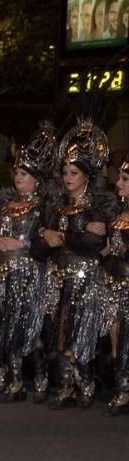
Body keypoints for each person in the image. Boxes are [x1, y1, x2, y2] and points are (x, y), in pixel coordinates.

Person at [41, 119, 111, 410]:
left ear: (86, 176)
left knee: (82, 332)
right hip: (59, 278)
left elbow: (93, 244)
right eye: (65, 172)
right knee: (61, 333)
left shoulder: (97, 206)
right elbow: (41, 243)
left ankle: (86, 384)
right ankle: (67, 386)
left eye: (74, 173)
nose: (68, 178)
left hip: (86, 278)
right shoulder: (56, 208)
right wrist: (47, 235)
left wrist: (63, 236)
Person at [0, 124, 54, 403]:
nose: (17, 178)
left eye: (23, 174)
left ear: (36, 178)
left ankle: (40, 376)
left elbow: (47, 242)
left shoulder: (43, 207)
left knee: (27, 327)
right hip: (2, 273)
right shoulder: (4, 204)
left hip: (28, 274)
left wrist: (21, 244)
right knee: (5, 326)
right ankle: (15, 381)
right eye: (16, 173)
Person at [105, 157, 129, 415]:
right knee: (116, 338)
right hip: (114, 284)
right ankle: (122, 390)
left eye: (124, 180)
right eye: (119, 178)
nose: (118, 183)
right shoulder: (117, 215)